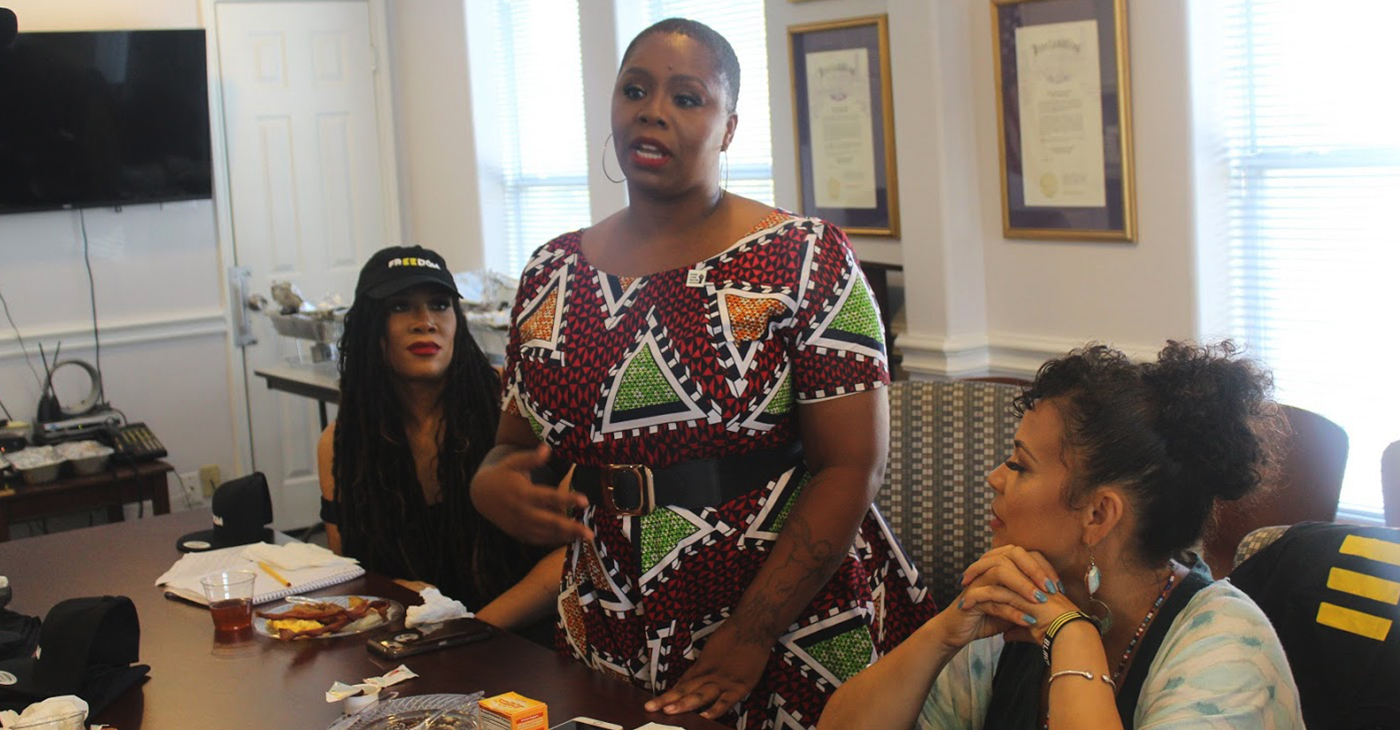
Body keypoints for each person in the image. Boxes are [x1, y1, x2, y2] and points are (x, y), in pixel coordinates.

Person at [469, 18, 935, 730]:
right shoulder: (550, 271)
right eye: (635, 90)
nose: (653, 110)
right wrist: (490, 484)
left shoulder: (804, 259)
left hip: (785, 621)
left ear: (730, 127)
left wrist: (749, 638)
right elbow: (513, 445)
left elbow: (852, 467)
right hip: (606, 619)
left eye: (687, 98)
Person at [819, 342, 1305, 730]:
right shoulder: (1014, 605)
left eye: (1019, 465)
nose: (995, 477)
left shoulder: (1226, 646)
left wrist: (1071, 636)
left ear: (1098, 514)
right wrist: (940, 635)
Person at [317, 245, 562, 633]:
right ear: (369, 327)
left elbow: (573, 553)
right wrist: (399, 593)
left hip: (523, 637)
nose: (425, 322)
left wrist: (473, 628)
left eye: (440, 304)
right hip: (412, 635)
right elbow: (353, 570)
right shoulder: (343, 443)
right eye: (399, 307)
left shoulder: (514, 410)